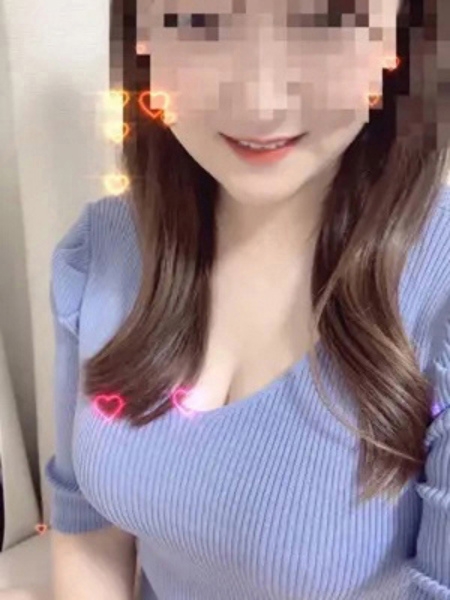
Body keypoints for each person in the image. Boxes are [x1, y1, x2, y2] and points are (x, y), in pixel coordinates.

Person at [45, 0, 450, 598]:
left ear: (405, 29)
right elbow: (86, 527)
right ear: (140, 32)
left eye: (327, 20)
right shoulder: (100, 251)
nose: (260, 103)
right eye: (197, 20)